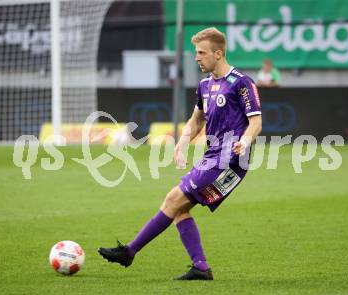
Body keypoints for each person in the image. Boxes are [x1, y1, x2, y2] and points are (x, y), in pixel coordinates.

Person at [98, 27, 262, 280]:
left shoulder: (241, 82)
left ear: (218, 54)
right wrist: (183, 140)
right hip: (213, 156)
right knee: (179, 210)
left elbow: (256, 122)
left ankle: (129, 252)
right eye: (196, 52)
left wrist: (246, 140)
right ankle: (201, 268)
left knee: (173, 199)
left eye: (201, 52)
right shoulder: (205, 85)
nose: (196, 57)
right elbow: (197, 119)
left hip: (230, 159)